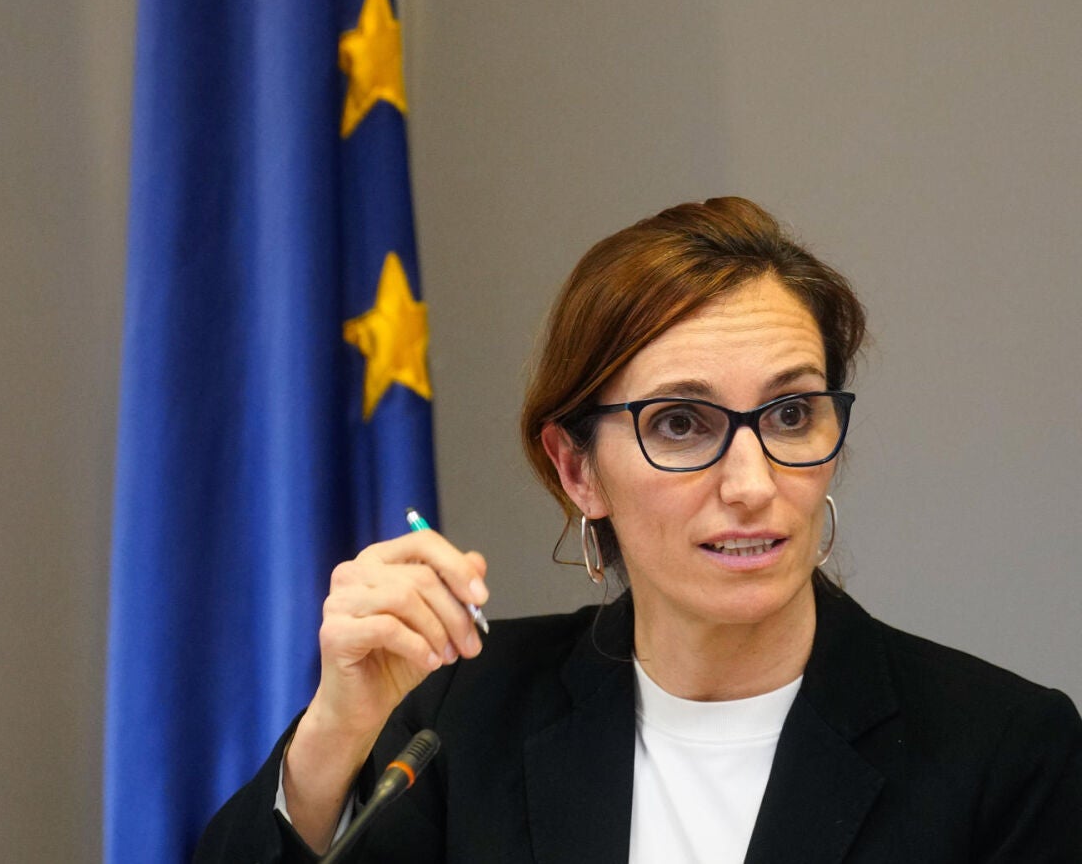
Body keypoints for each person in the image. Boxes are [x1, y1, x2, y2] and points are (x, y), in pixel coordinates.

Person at [193, 197, 1082, 863]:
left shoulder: (1004, 751)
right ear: (578, 470)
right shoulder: (462, 713)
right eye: (682, 423)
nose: (752, 484)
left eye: (790, 414)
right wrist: (334, 736)